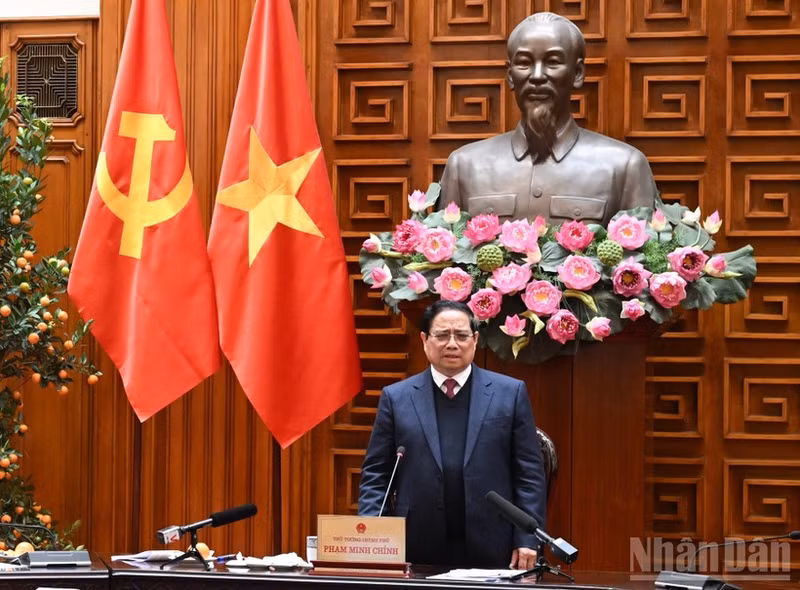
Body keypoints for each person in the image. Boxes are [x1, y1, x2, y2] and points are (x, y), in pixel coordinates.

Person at [358, 300, 546, 569]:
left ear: (475, 339)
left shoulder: (510, 393)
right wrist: (371, 537)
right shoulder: (396, 398)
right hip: (416, 545)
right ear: (424, 340)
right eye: (442, 335)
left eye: (461, 335)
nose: (452, 344)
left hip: (494, 543)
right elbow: (376, 477)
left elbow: (529, 475)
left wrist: (528, 538)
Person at [439, 12, 657, 225]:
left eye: (553, 62)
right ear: (510, 75)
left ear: (578, 73)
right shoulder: (465, 166)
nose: (537, 76)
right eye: (524, 63)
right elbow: (437, 256)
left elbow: (643, 257)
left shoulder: (624, 166)